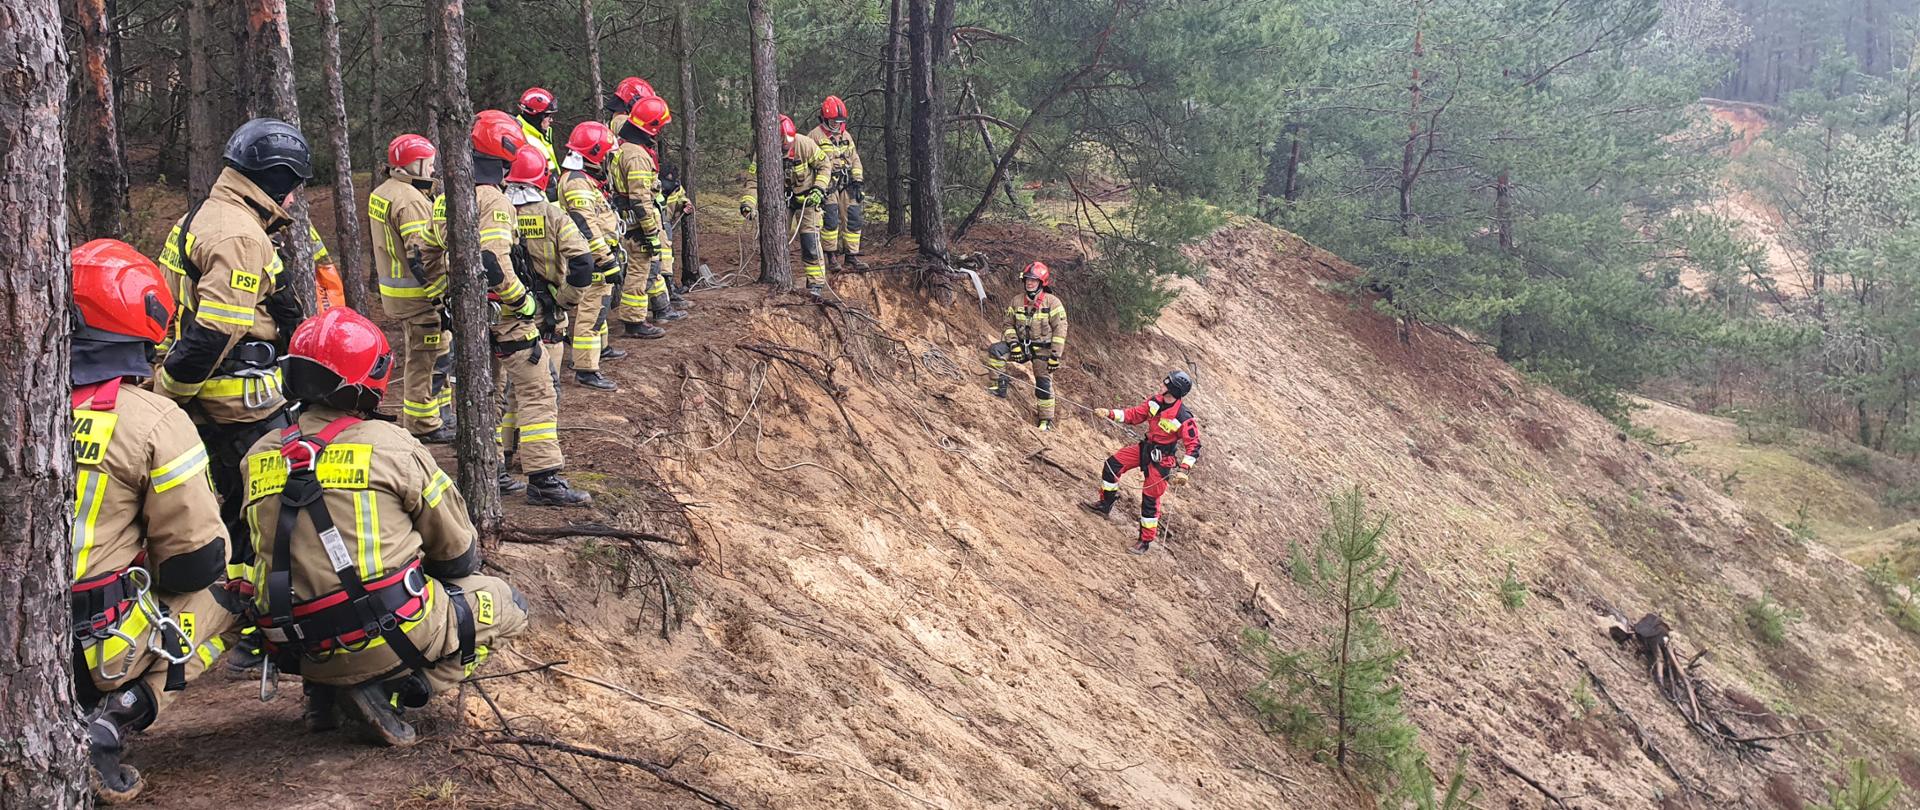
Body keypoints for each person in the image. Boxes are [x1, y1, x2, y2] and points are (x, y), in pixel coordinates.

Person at [243, 307, 530, 747]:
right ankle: (397, 690)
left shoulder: (258, 454)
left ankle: (322, 694)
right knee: (510, 606)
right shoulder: (393, 447)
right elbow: (458, 555)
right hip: (384, 635)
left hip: (292, 644)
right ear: (370, 379)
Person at [67, 239, 238, 803]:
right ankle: (112, 719)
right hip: (90, 651)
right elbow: (195, 561)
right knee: (230, 592)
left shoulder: (20, 401)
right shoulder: (153, 421)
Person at [154, 117, 309, 602]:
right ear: (277, 178)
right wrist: (171, 394)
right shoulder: (238, 235)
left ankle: (241, 597)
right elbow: (217, 330)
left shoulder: (214, 215)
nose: (296, 199)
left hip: (224, 396)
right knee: (264, 510)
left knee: (237, 507)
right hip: (240, 404)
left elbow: (278, 300)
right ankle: (258, 613)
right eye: (295, 186)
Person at [369, 133, 455, 443]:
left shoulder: (383, 192)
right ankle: (424, 423)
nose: (432, 170)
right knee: (427, 359)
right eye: (430, 164)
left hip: (399, 295)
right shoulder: (410, 201)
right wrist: (443, 294)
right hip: (420, 298)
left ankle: (440, 413)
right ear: (414, 164)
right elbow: (422, 255)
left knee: (437, 353)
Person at [507, 147, 609, 390]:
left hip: (507, 313)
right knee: (544, 391)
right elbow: (582, 261)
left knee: (510, 394)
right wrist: (567, 299)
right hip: (549, 310)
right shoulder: (554, 216)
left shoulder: (494, 213)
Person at [1083, 371, 1203, 555]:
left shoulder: (1183, 418)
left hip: (1162, 460)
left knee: (1150, 499)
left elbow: (1193, 445)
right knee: (1112, 465)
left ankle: (1144, 541)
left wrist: (1183, 470)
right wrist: (1110, 414)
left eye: (1166, 383)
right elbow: (1135, 415)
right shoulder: (1156, 401)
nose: (1161, 385)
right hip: (1145, 449)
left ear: (1173, 389)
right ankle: (1105, 504)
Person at [558, 120, 635, 378]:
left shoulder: (586, 180)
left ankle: (599, 350)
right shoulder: (577, 184)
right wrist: (606, 260)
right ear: (594, 154)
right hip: (594, 257)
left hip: (602, 253)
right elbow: (586, 226)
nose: (608, 162)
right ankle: (586, 368)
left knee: (599, 306)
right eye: (606, 156)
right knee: (591, 310)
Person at [610, 94, 684, 335]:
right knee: (639, 271)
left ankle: (649, 312)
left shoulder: (627, 149)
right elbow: (640, 199)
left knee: (646, 268)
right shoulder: (637, 156)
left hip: (632, 221)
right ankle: (634, 322)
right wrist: (651, 231)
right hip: (638, 225)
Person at [739, 114, 833, 295]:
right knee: (775, 238)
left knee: (810, 240)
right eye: (783, 143)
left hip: (808, 200)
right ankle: (777, 279)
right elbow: (753, 182)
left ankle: (816, 284)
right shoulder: (764, 152)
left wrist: (818, 188)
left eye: (788, 142)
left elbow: (824, 165)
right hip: (783, 201)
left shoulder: (804, 144)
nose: (787, 146)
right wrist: (748, 203)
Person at [986, 262, 1068, 431]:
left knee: (1043, 383)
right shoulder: (1016, 301)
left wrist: (1055, 356)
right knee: (996, 351)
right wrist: (1014, 345)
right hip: (1021, 346)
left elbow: (1060, 331)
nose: (1029, 283)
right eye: (1027, 279)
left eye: (1034, 280)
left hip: (1043, 349)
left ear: (1042, 283)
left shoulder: (1053, 303)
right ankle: (997, 387)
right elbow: (1007, 324)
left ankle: (1045, 420)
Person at [807, 95, 868, 271]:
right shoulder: (814, 137)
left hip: (847, 183)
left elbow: (854, 158)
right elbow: (810, 163)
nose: (836, 124)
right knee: (830, 220)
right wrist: (817, 185)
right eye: (833, 121)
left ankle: (851, 256)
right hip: (827, 184)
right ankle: (831, 257)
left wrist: (858, 180)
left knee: (854, 218)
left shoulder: (846, 135)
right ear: (825, 118)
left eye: (839, 121)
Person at [516, 86, 560, 193]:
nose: (551, 120)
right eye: (548, 116)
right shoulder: (523, 139)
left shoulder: (539, 135)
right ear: (537, 116)